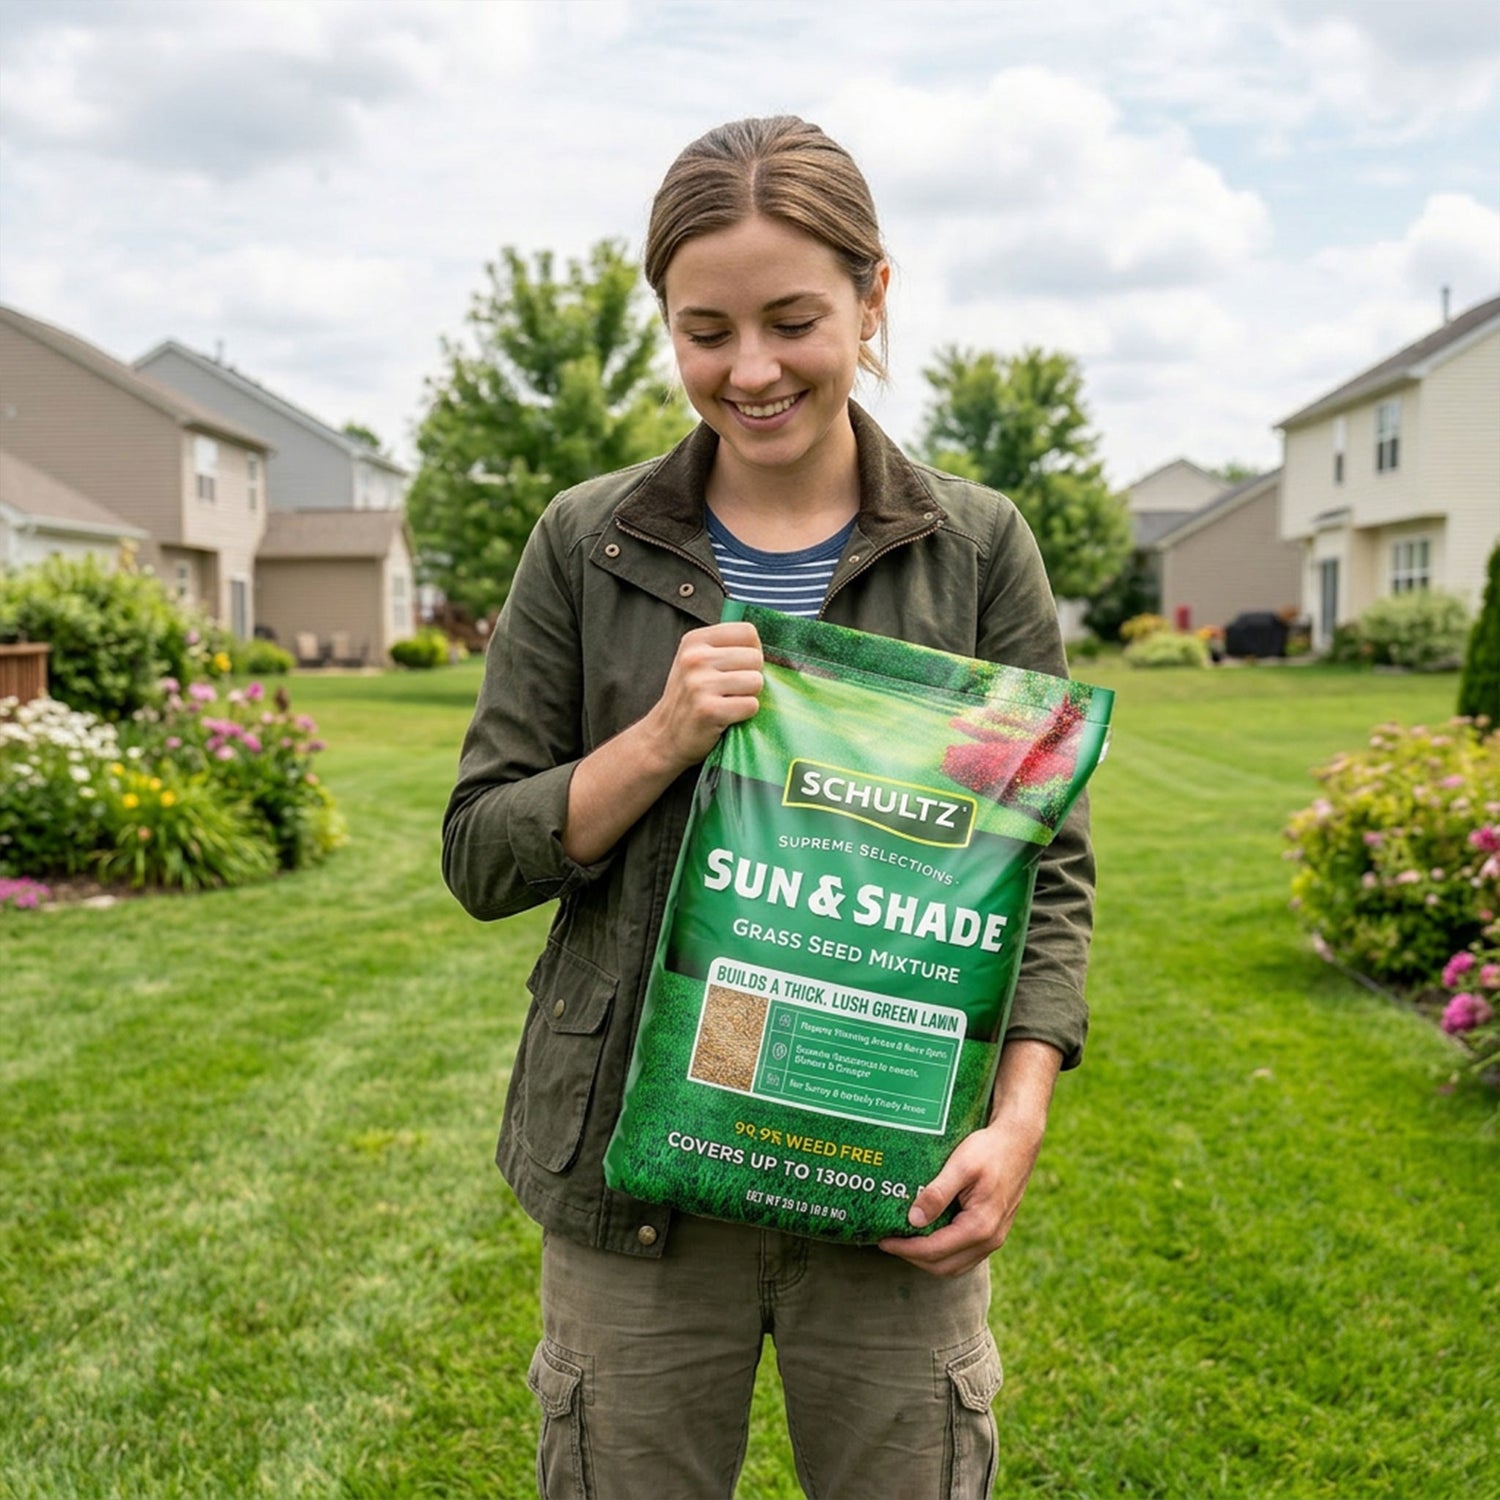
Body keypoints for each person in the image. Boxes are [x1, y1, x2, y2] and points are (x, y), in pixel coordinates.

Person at [443, 115, 1095, 1500]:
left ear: (872, 299)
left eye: (794, 319)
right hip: (637, 1192)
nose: (749, 371)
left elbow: (1050, 869)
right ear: (665, 328)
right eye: (704, 330)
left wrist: (1020, 1115)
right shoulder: (586, 540)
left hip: (889, 1164)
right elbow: (484, 851)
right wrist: (660, 737)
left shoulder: (978, 550)